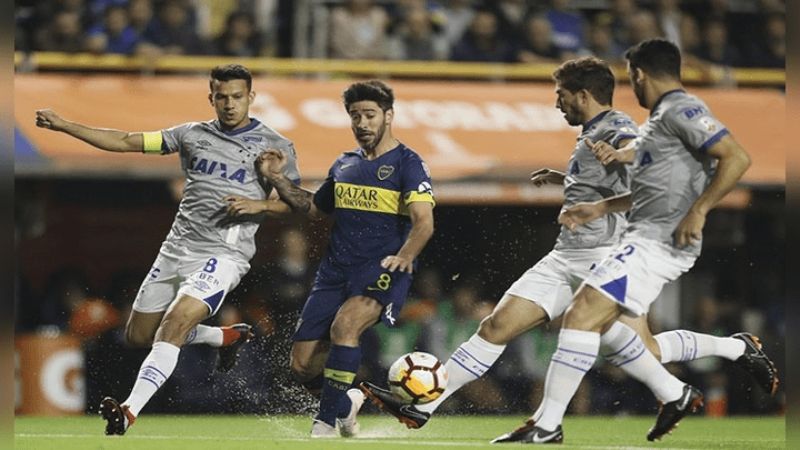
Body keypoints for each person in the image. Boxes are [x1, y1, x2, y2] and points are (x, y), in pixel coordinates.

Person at [358, 56, 778, 441]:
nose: (557, 104)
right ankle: (424, 407)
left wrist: (614, 181)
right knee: (495, 327)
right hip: (565, 256)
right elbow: (605, 176)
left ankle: (736, 348)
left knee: (642, 350)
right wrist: (564, 179)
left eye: (561, 96)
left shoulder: (617, 128)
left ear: (582, 94)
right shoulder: (591, 134)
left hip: (606, 258)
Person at [491, 39, 778, 444]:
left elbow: (736, 157)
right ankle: (719, 361)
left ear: (640, 74)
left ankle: (548, 425)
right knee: (628, 341)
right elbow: (654, 188)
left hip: (659, 240)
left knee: (581, 315)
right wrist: (601, 207)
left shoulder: (682, 108)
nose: (632, 88)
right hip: (641, 235)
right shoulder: (660, 120)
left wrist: (701, 209)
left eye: (631, 79)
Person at [34, 64, 301, 436]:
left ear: (251, 98)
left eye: (237, 97)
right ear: (211, 98)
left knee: (174, 324)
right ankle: (223, 336)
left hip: (223, 254)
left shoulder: (275, 146)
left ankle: (128, 410)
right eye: (221, 97)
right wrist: (65, 125)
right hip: (176, 249)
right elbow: (127, 141)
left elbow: (299, 204)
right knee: (139, 335)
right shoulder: (190, 135)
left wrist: (262, 201)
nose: (228, 104)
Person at [250, 80, 435, 437]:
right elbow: (313, 208)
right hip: (334, 272)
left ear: (389, 116)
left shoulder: (409, 164)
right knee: (302, 366)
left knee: (345, 328)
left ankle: (326, 422)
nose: (362, 123)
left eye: (369, 115)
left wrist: (404, 256)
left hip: (381, 269)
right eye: (355, 116)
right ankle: (346, 403)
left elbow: (424, 223)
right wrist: (276, 177)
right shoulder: (344, 164)